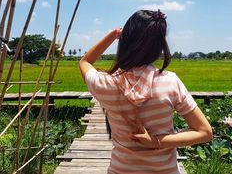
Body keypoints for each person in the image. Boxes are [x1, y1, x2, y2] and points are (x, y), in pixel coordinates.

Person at [79, 10, 213, 174]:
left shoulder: (105, 83)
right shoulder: (170, 82)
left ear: (125, 41)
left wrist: (113, 34)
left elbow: (85, 61)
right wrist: (156, 141)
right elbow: (205, 132)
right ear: (159, 46)